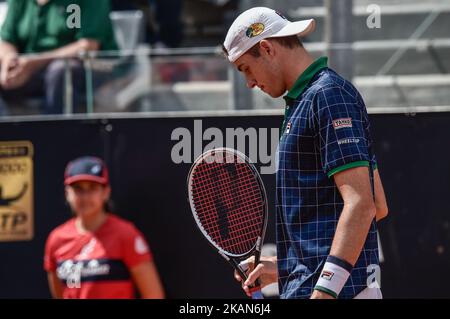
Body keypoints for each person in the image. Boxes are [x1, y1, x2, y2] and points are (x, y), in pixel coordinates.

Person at [222, 7, 389, 299]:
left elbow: (363, 204)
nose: (249, 82)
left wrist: (325, 289)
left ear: (266, 48)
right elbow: (378, 202)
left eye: (246, 68)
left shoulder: (327, 95)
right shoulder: (310, 100)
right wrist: (282, 267)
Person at [44, 156, 165, 299]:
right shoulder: (56, 239)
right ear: (67, 193)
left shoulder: (125, 235)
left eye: (93, 188)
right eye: (78, 189)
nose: (85, 196)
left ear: (106, 192)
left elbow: (154, 295)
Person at [0, 0, 117, 115]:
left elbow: (88, 46)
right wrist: (10, 60)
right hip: (28, 73)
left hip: (87, 73)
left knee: (61, 71)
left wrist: (33, 64)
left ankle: (55, 132)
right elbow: (6, 39)